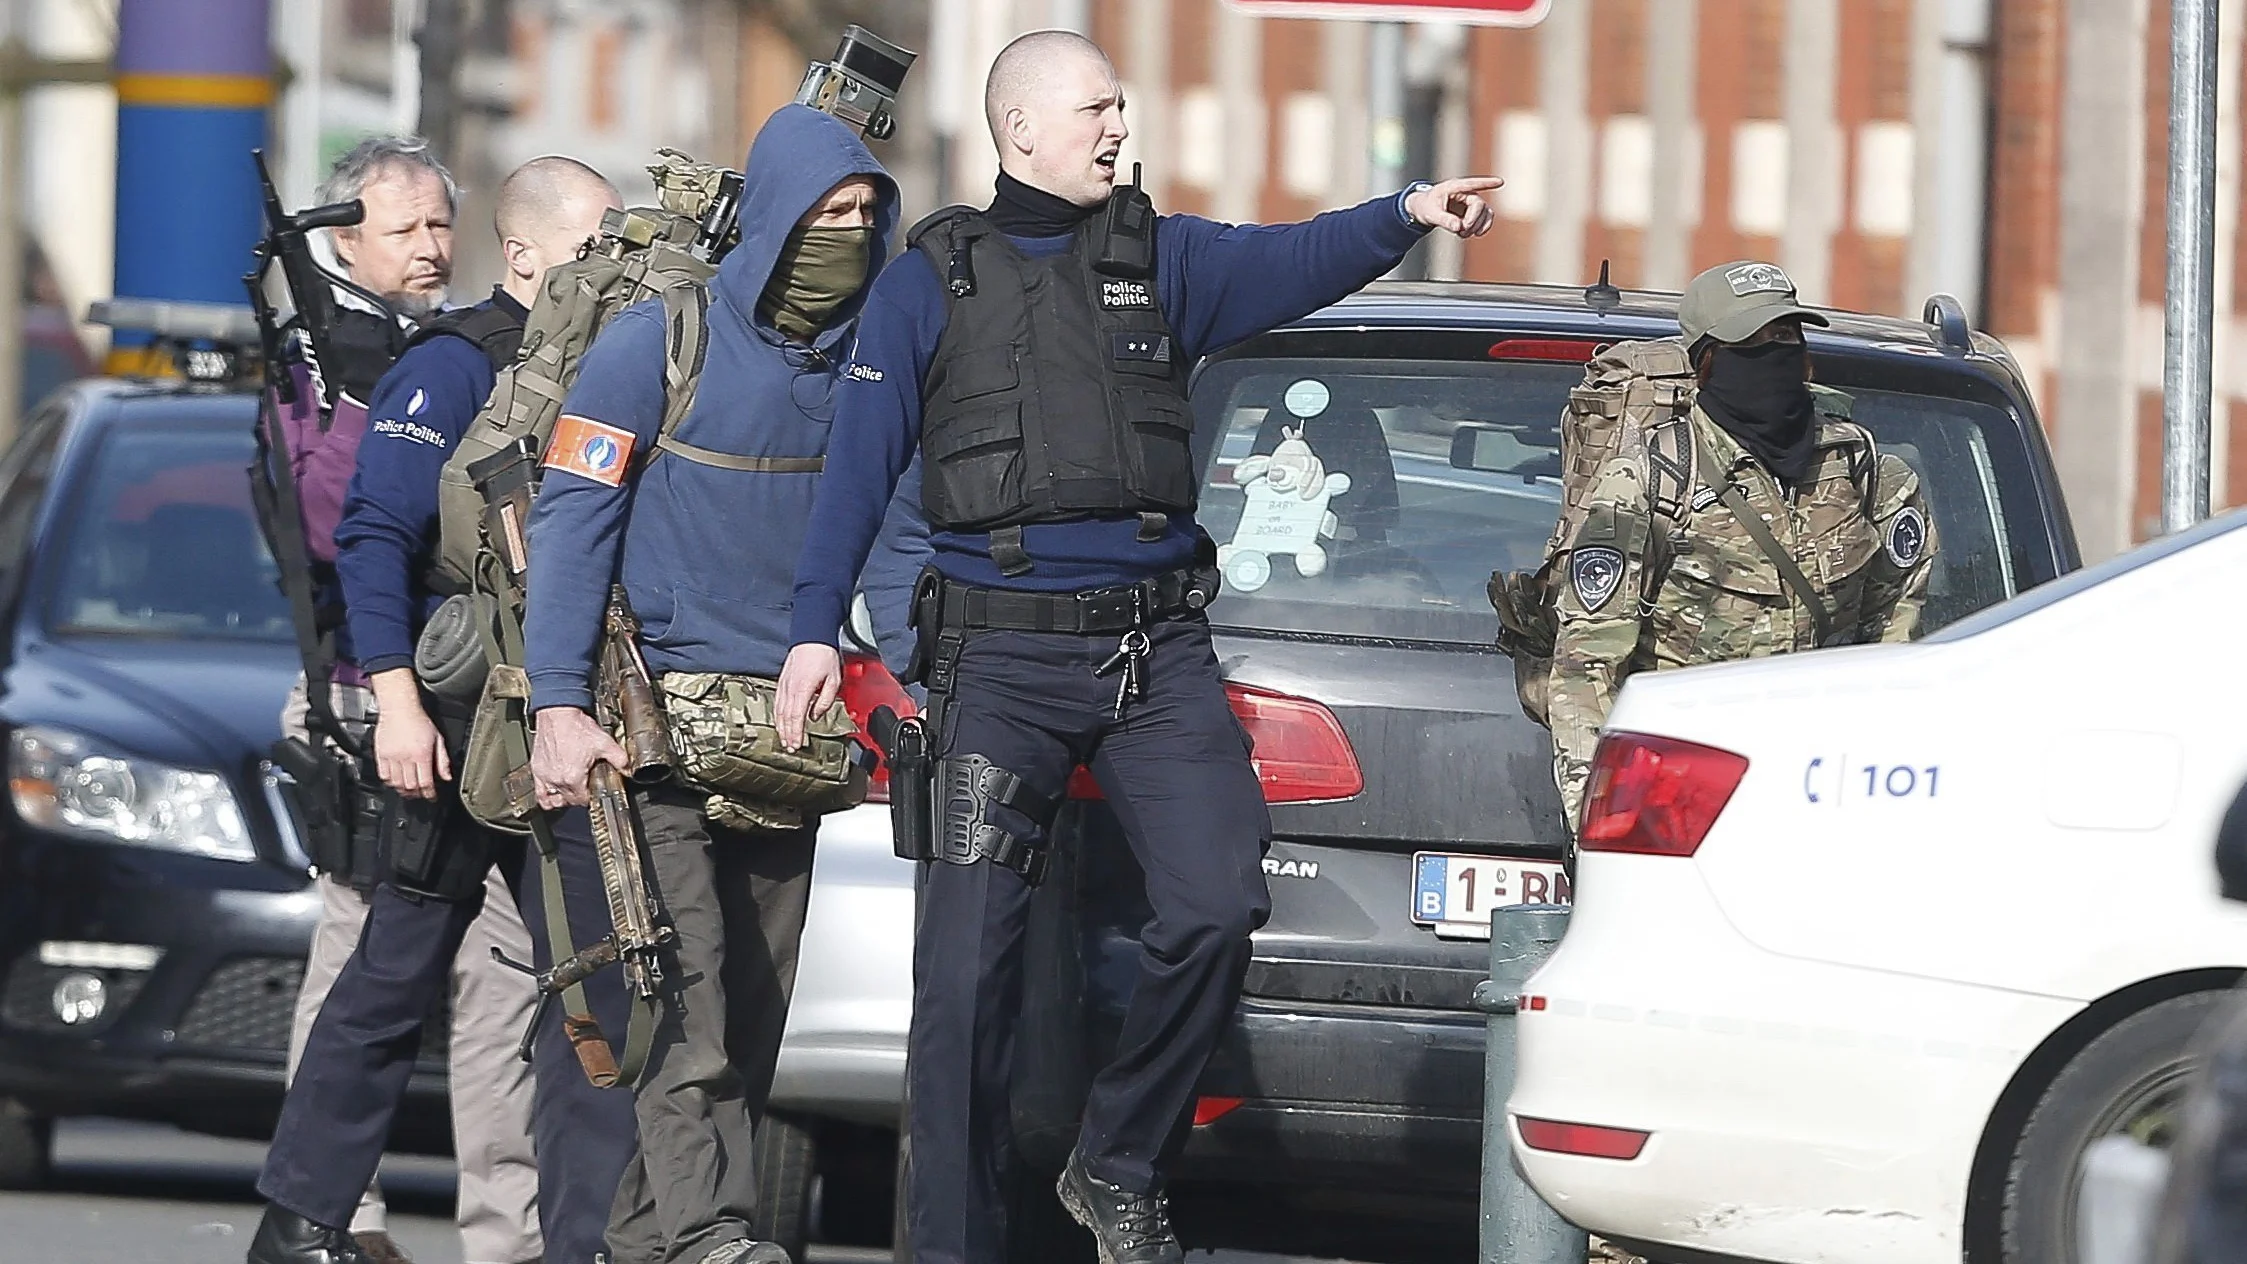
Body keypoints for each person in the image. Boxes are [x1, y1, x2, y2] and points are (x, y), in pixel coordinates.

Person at [770, 29, 1499, 1264]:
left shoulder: (1161, 256)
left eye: (1121, 105)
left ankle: (1114, 1163)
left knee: (1218, 903)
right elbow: (857, 468)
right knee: (961, 993)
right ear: (1022, 130)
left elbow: (1293, 259)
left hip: (1155, 662)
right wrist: (807, 631)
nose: (1119, 125)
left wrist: (1407, 211)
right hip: (996, 670)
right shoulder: (927, 281)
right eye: (1095, 108)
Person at [520, 105, 924, 1264]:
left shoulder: (876, 359)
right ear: (775, 218)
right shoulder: (652, 344)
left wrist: (917, 671)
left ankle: (639, 1247)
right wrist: (558, 703)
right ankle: (710, 1236)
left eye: (862, 215)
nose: (844, 235)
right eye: (824, 215)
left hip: (789, 739)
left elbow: (899, 534)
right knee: (684, 1007)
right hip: (647, 734)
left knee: (750, 1020)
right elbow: (572, 521)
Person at [248, 156, 633, 1264]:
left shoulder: (611, 364)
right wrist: (402, 707)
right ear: (527, 254)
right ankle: (304, 1222)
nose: (619, 264)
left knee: (589, 987)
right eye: (598, 240)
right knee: (393, 969)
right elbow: (372, 534)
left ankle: (574, 1239)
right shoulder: (457, 365)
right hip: (460, 724)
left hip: (561, 721)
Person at [1544, 260, 1938, 827]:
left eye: (1785, 336)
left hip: (1821, 792)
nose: (1774, 354)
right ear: (1706, 361)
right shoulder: (1652, 479)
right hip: (1683, 795)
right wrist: (1602, 820)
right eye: (1751, 343)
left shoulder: (1864, 471)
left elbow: (1896, 632)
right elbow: (1586, 668)